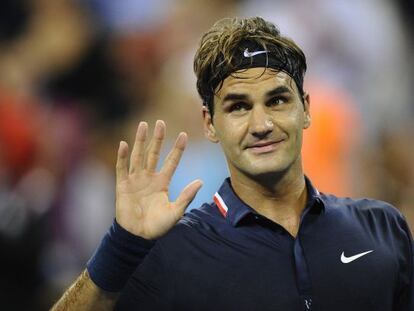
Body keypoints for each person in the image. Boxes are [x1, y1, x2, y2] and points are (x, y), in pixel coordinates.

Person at [52, 17, 413, 311]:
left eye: (277, 100)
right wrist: (120, 246)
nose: (261, 125)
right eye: (238, 106)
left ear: (306, 108)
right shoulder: (171, 252)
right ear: (209, 124)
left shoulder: (382, 228)